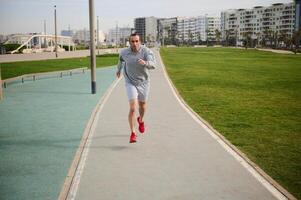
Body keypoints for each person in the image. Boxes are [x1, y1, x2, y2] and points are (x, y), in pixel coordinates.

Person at [116, 33, 156, 143]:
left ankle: (141, 120)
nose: (135, 43)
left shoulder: (146, 51)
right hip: (130, 82)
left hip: (144, 82)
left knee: (142, 106)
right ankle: (133, 133)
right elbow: (120, 60)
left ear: (140, 41)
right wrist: (118, 70)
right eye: (132, 41)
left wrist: (145, 63)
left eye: (137, 41)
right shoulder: (125, 52)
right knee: (133, 108)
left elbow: (154, 64)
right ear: (129, 42)